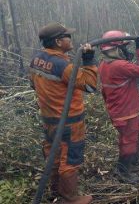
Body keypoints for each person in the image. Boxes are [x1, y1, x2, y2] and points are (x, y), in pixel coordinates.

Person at [29, 22, 97, 204]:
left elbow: (33, 84)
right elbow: (90, 86)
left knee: (54, 156)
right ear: (59, 42)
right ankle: (70, 198)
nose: (71, 39)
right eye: (68, 37)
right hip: (69, 122)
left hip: (49, 120)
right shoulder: (63, 66)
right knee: (70, 159)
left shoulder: (36, 59)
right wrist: (89, 59)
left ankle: (55, 192)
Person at [98, 30, 139, 184]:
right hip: (125, 112)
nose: (125, 50)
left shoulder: (105, 63)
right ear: (115, 49)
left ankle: (130, 162)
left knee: (129, 138)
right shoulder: (119, 65)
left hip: (120, 110)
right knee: (128, 140)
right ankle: (123, 171)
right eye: (123, 48)